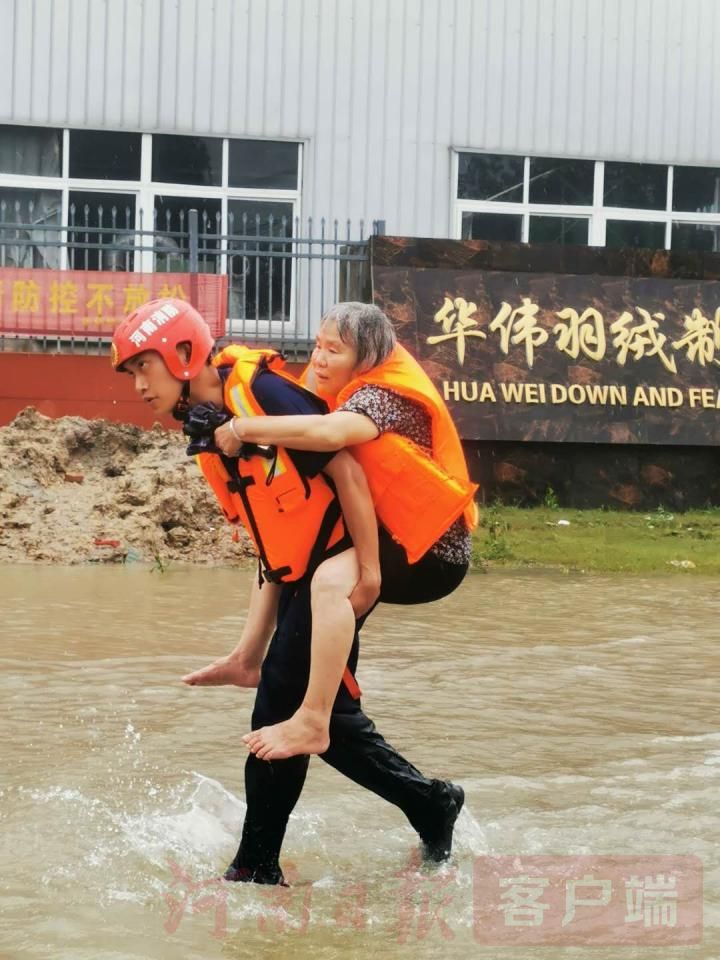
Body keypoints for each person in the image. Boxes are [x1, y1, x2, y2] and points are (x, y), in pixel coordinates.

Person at [110, 297, 465, 885]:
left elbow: (345, 467)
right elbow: (274, 549)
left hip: (388, 549)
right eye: (130, 374)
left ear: (181, 353)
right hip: (323, 565)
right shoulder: (212, 433)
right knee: (324, 714)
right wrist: (245, 652)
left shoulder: (263, 395)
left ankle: (253, 869)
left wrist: (370, 571)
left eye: (143, 366)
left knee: (286, 701)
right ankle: (429, 803)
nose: (139, 384)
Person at [195, 301, 478, 763]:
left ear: (365, 358)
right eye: (318, 347)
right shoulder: (333, 386)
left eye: (335, 351)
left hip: (428, 552)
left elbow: (328, 435)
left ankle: (314, 718)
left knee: (326, 582)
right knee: (283, 545)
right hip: (383, 532)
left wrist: (241, 427)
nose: (320, 360)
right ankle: (248, 658)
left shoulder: (383, 394)